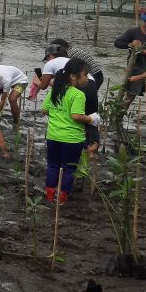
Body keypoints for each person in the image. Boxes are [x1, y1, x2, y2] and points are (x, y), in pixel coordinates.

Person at [41, 59, 99, 204]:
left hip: (53, 135)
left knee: (53, 166)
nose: (87, 78)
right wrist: (91, 119)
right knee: (69, 169)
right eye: (85, 74)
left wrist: (58, 116)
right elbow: (76, 116)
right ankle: (62, 198)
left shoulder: (55, 90)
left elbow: (45, 110)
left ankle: (49, 195)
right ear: (73, 76)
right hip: (72, 139)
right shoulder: (78, 94)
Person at [114, 12, 146, 110]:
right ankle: (119, 116)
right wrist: (130, 44)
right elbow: (117, 43)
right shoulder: (133, 32)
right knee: (130, 95)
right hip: (135, 68)